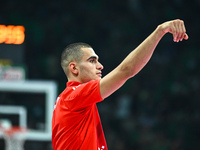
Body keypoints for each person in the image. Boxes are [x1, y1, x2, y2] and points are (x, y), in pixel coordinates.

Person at [52, 19, 188, 150]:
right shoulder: (74, 96)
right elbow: (126, 70)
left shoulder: (70, 100)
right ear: (74, 68)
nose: (100, 66)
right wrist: (160, 31)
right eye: (92, 61)